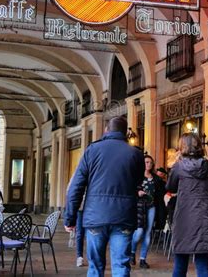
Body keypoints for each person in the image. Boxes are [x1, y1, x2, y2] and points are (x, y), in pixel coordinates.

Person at [64, 116, 145, 277]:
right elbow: (138, 181)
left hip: (96, 216)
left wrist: (70, 218)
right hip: (123, 216)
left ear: (106, 130)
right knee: (121, 266)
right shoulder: (136, 154)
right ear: (125, 133)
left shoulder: (92, 150)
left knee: (95, 267)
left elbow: (76, 186)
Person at [166, 133, 208, 277]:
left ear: (182, 147)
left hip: (184, 219)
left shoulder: (179, 167)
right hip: (205, 218)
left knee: (180, 263)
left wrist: (174, 163)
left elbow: (170, 187)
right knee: (203, 265)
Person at [130, 155, 166, 269]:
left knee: (147, 233)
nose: (148, 164)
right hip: (139, 206)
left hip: (151, 207)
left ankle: (142, 259)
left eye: (150, 162)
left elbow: (161, 193)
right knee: (139, 232)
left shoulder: (156, 179)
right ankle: (132, 252)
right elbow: (130, 188)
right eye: (146, 162)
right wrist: (138, 192)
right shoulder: (137, 176)